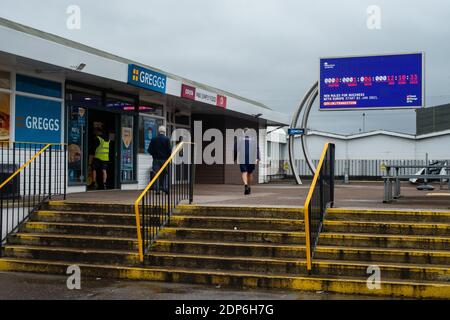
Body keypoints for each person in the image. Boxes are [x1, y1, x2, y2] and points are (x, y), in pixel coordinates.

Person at [234, 127, 260, 195]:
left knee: (244, 172)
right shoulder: (254, 140)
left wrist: (234, 158)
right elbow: (257, 149)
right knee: (250, 173)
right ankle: (249, 186)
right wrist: (257, 158)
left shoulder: (239, 140)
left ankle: (245, 185)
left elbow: (235, 149)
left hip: (242, 158)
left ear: (243, 133)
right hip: (251, 158)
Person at [148, 126, 172, 194]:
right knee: (166, 174)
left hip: (156, 159)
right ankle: (165, 188)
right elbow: (169, 150)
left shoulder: (153, 139)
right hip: (165, 160)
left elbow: (149, 150)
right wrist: (168, 157)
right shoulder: (167, 139)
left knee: (156, 174)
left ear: (158, 131)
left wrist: (154, 155)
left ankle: (157, 189)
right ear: (164, 131)